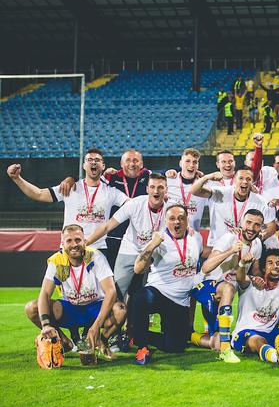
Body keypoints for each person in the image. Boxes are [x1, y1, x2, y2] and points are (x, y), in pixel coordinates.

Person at [7, 149, 129, 261]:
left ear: (103, 166)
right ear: (84, 165)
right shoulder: (70, 188)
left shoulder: (112, 192)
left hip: (98, 250)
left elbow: (131, 204)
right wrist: (17, 179)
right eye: (89, 160)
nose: (93, 162)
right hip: (69, 248)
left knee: (99, 285)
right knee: (65, 285)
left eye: (97, 160)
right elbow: (39, 194)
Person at [25, 225, 125, 359]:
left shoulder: (95, 256)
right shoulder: (56, 261)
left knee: (121, 310)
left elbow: (111, 292)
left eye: (78, 240)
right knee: (32, 308)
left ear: (84, 241)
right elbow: (44, 294)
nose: (74, 245)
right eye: (69, 241)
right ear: (62, 243)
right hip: (71, 309)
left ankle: (102, 341)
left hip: (95, 307)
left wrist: (96, 326)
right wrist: (46, 325)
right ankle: (65, 343)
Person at [129, 205, 203, 365]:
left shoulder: (196, 238)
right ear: (165, 221)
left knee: (176, 346)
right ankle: (142, 347)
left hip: (179, 301)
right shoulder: (159, 240)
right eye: (172, 218)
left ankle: (136, 334)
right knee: (141, 298)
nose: (177, 222)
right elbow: (138, 269)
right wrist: (152, 245)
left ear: (186, 221)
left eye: (181, 218)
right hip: (158, 292)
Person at [192, 209, 264, 362]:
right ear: (241, 223)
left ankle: (191, 336)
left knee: (215, 342)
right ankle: (226, 348)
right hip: (207, 285)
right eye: (249, 223)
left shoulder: (257, 244)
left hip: (224, 298)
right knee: (229, 287)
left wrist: (255, 279)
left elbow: (254, 274)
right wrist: (231, 251)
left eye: (257, 225)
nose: (252, 228)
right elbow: (206, 267)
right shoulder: (229, 238)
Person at [85, 173, 168, 300]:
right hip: (131, 249)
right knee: (117, 292)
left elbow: (182, 225)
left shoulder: (172, 208)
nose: (156, 191)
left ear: (166, 189)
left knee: (159, 290)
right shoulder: (135, 204)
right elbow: (107, 226)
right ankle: (114, 318)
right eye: (152, 187)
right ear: (147, 189)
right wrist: (86, 242)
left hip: (157, 252)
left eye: (160, 187)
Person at [190, 165, 276, 244]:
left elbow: (271, 226)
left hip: (245, 249)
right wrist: (207, 177)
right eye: (241, 178)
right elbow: (195, 191)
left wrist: (258, 238)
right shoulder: (221, 193)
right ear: (234, 179)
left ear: (252, 182)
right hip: (218, 245)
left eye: (248, 179)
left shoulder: (260, 201)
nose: (245, 182)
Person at [166, 148, 208, 249]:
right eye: (187, 161)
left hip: (193, 238)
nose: (191, 165)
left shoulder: (204, 185)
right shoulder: (169, 181)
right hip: (170, 237)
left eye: (195, 162)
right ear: (180, 163)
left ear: (198, 166)